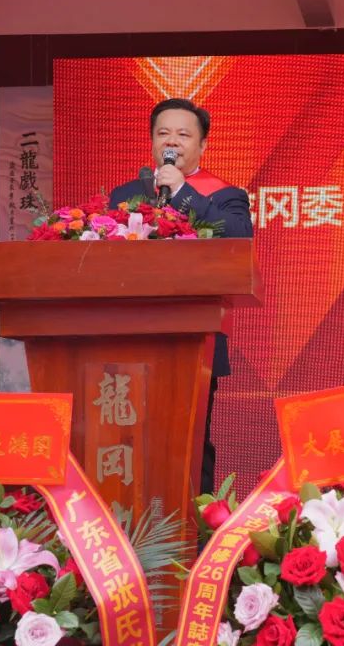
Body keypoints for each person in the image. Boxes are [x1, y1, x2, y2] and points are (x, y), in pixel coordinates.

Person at [109, 98, 253, 495]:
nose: (171, 141)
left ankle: (194, 526)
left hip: (193, 340)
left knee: (188, 442)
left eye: (183, 135)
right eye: (163, 133)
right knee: (125, 440)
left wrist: (181, 191)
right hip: (124, 338)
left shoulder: (224, 195)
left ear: (202, 145)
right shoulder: (125, 195)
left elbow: (238, 237)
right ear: (152, 141)